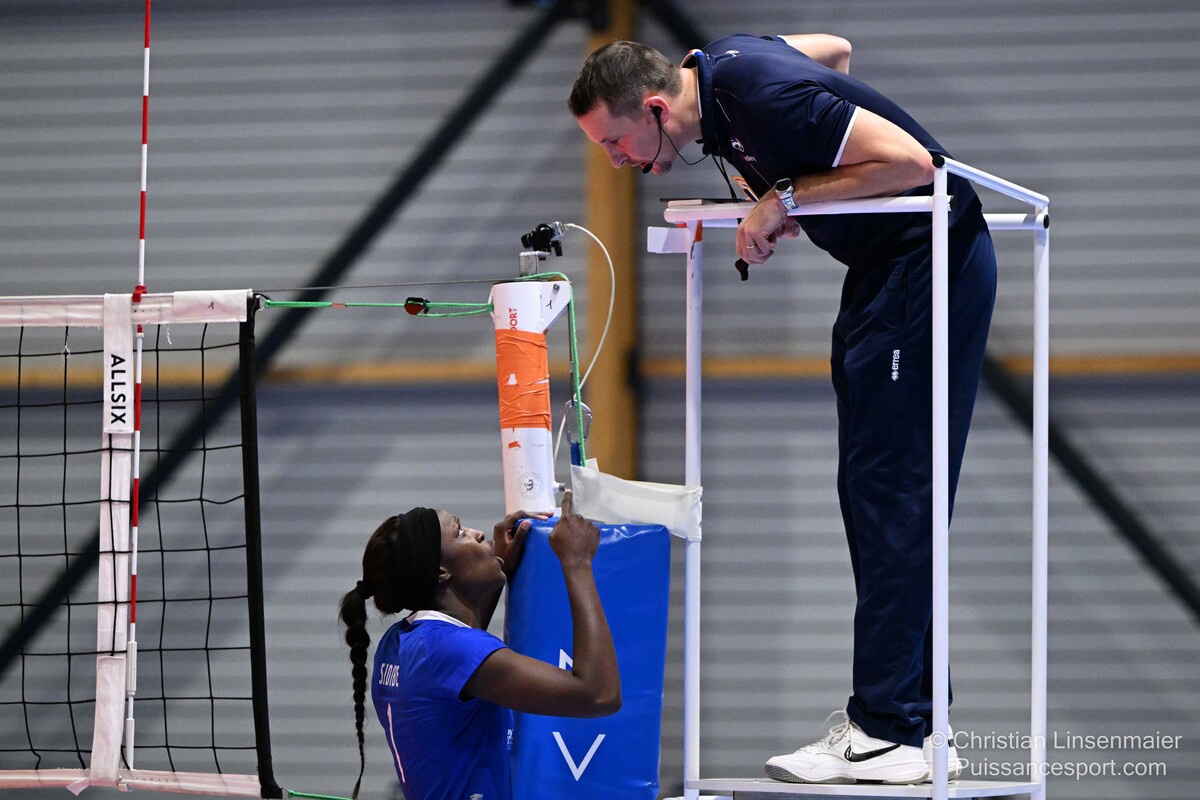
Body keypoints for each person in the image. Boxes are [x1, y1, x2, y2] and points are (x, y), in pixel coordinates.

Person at [570, 34, 996, 785]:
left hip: (925, 264)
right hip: (887, 272)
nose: (613, 161)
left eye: (614, 142)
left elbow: (914, 164)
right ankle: (922, 725)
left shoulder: (757, 93)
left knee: (889, 493)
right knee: (876, 495)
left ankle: (887, 729)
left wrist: (788, 196)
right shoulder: (723, 75)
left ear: (658, 109)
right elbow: (833, 53)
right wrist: (817, 179)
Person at [338, 490, 620, 800]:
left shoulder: (399, 642)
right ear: (440, 571)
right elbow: (599, 695)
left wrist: (499, 566)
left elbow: (461, 658)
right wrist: (577, 561)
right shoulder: (448, 650)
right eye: (460, 532)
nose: (478, 533)